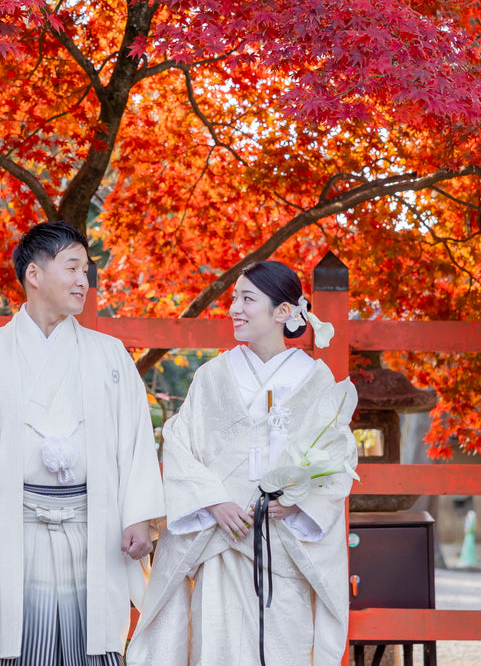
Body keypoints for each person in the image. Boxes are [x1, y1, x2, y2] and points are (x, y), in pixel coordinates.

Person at [0, 221, 164, 666]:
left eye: (86, 270)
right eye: (72, 268)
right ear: (34, 274)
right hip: (6, 527)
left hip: (92, 529)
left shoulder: (110, 357)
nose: (84, 280)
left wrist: (139, 516)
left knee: (90, 642)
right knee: (2, 640)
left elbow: (136, 443)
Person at [127, 261, 358, 666]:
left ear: (283, 312)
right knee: (216, 645)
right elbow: (180, 445)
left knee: (285, 647)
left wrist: (299, 501)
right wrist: (214, 501)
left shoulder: (316, 379)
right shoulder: (213, 376)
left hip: (285, 545)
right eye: (234, 298)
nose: (234, 307)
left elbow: (338, 458)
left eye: (247, 299)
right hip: (221, 544)